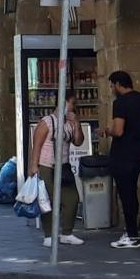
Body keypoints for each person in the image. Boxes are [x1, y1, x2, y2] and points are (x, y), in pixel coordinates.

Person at [30, 92, 85, 246]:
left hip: (64, 166)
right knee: (48, 201)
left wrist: (77, 124)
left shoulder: (69, 123)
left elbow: (79, 142)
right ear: (64, 103)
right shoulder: (47, 122)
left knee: (72, 198)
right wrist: (34, 166)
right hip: (47, 166)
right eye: (73, 103)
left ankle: (67, 232)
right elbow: (37, 145)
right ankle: (49, 235)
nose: (74, 107)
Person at [106, 70, 140, 249]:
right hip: (138, 151)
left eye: (111, 86)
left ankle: (132, 234)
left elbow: (118, 130)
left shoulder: (120, 103)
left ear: (118, 84)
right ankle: (133, 232)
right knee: (131, 191)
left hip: (122, 153)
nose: (111, 89)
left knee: (126, 194)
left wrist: (106, 130)